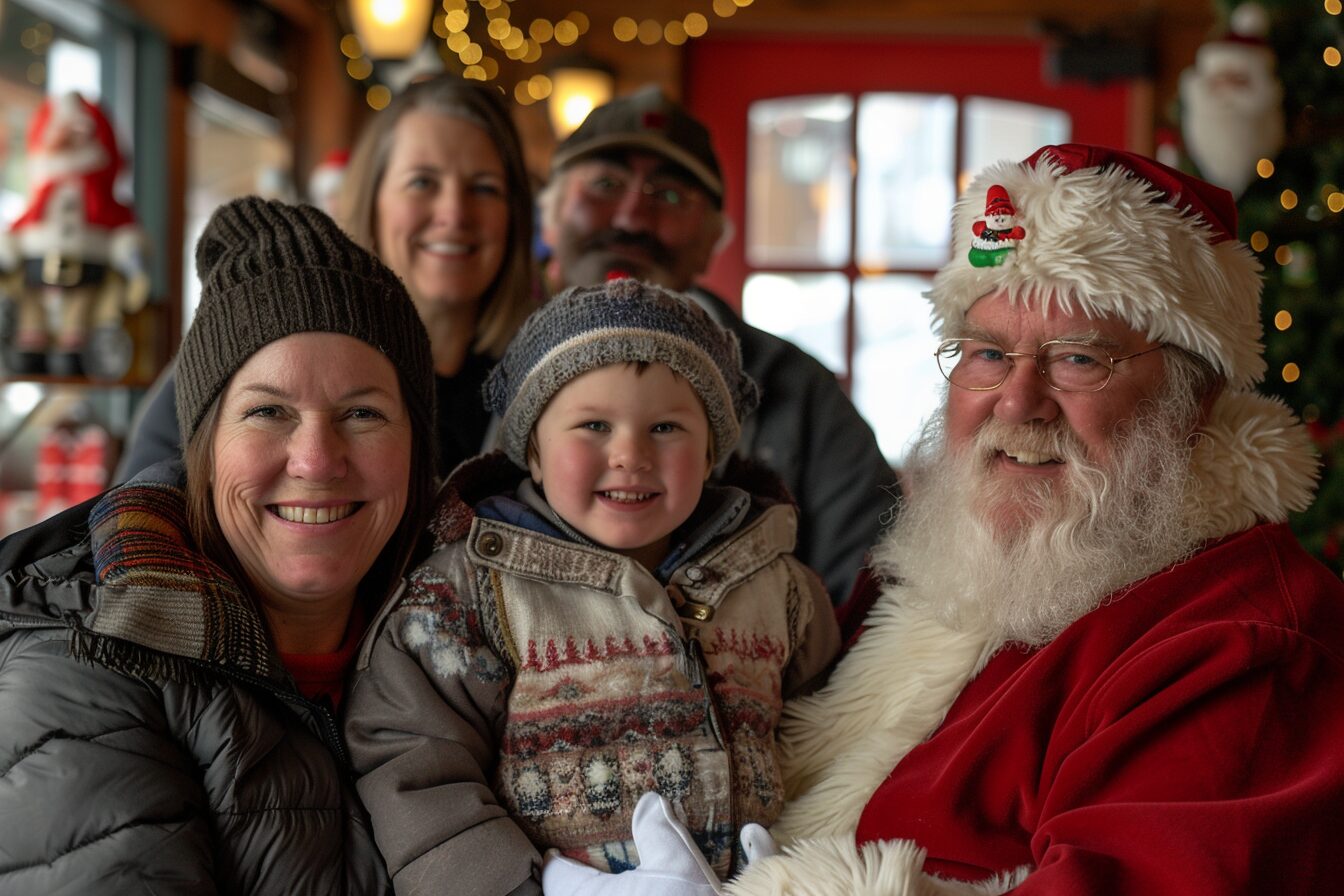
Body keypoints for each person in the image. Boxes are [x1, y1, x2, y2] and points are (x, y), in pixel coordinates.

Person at [700, 144, 1344, 893]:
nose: (1015, 402)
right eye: (986, 353)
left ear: (1193, 398)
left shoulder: (1248, 649)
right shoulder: (934, 576)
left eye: (1077, 359)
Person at [343, 277, 841, 895]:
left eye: (666, 428)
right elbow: (416, 767)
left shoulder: (783, 591)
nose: (630, 454)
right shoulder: (464, 597)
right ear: (532, 450)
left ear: (713, 448)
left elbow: (834, 745)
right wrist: (545, 888)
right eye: (594, 425)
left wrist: (813, 858)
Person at [0, 196, 436, 893]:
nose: (317, 460)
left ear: (419, 454)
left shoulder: (473, 642)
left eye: (363, 412)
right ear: (203, 452)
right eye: (269, 412)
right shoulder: (81, 669)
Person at [537, 86, 896, 607]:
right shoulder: (492, 365)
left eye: (670, 196)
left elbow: (871, 602)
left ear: (711, 241)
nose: (632, 218)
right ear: (547, 215)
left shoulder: (795, 391)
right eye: (605, 184)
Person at [114, 75, 536, 481]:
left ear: (515, 218)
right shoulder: (260, 334)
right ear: (371, 200)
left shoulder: (541, 377)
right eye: (422, 182)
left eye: (484, 188)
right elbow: (134, 517)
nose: (454, 214)